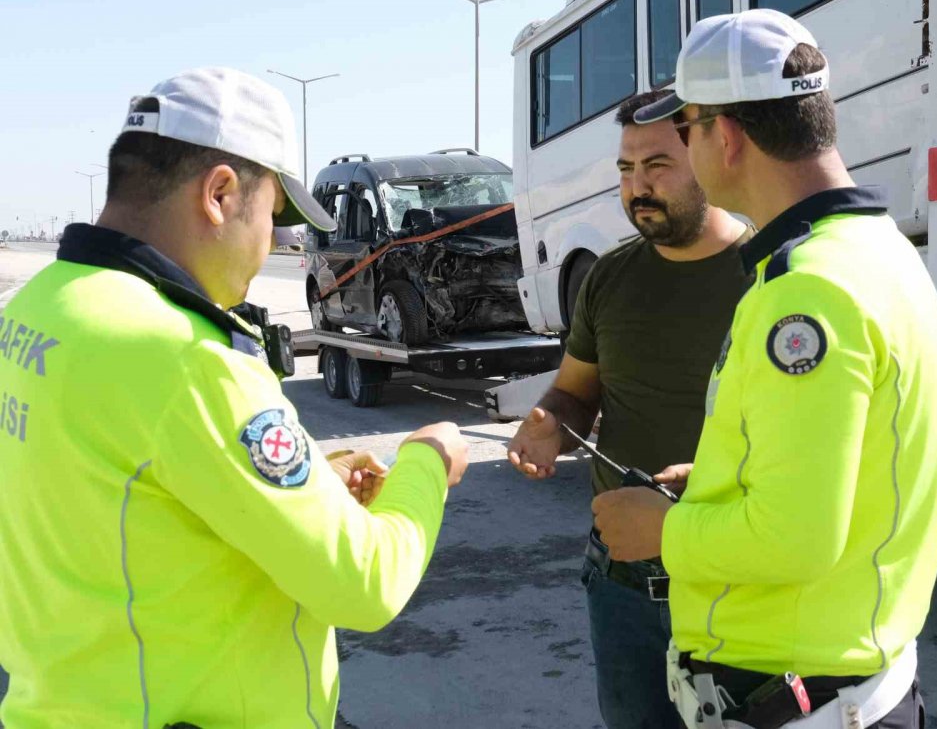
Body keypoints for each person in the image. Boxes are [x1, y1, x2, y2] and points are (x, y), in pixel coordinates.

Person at [0, 67, 469, 728]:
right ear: (219, 194)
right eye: (274, 217)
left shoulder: (38, 311)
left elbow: (108, 490)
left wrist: (300, 489)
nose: (272, 248)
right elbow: (364, 584)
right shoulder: (186, 356)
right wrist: (426, 459)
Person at [592, 10, 937, 729]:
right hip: (848, 676)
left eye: (685, 131)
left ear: (724, 136)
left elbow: (797, 537)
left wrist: (663, 530)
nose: (687, 149)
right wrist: (715, 485)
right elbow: (855, 466)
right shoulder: (876, 251)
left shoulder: (807, 291)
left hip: (798, 698)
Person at [507, 92, 753, 729]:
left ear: (708, 153)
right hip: (622, 589)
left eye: (657, 166)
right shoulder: (609, 276)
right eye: (625, 169)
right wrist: (548, 425)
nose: (637, 187)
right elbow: (575, 391)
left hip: (742, 585)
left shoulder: (771, 277)